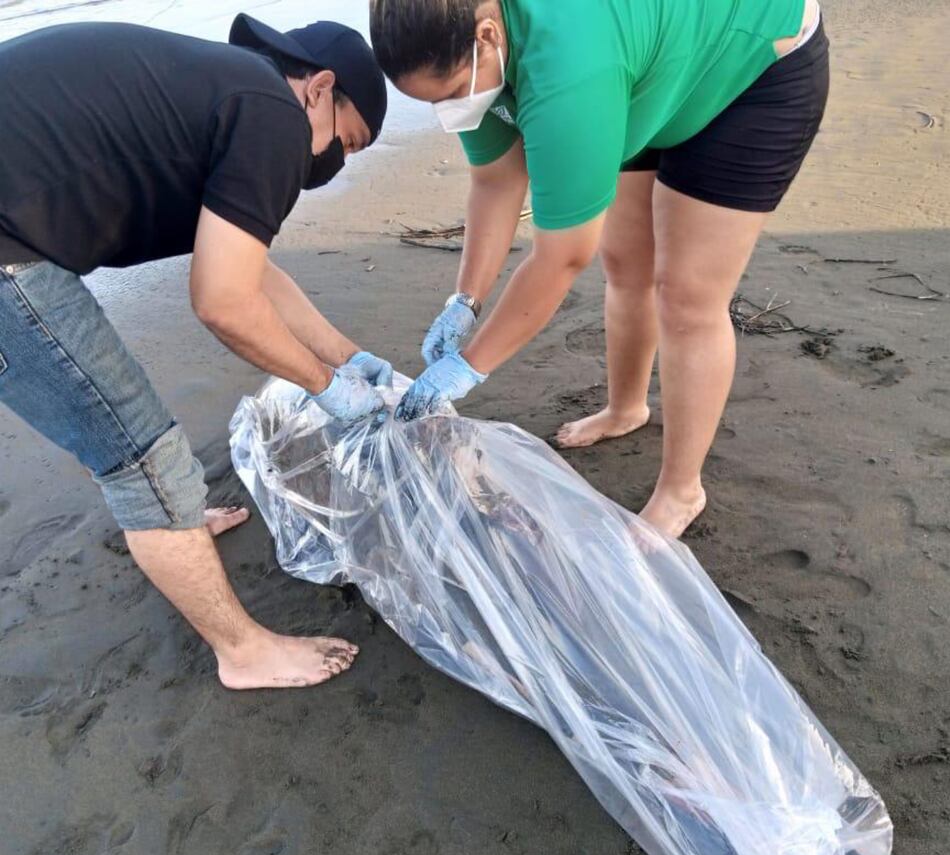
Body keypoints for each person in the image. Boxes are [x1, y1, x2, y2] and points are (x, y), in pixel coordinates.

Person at [0, 15, 391, 689]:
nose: (336, 162)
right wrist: (324, 384)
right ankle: (243, 651)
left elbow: (249, 268)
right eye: (346, 142)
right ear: (320, 88)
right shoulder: (273, 117)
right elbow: (224, 303)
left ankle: (171, 519)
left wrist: (346, 354)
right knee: (142, 457)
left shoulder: (227, 88)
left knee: (135, 451)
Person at [370, 0, 829, 538]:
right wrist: (464, 301)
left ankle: (682, 491)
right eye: (431, 102)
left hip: (751, 69)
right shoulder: (469, 51)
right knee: (626, 262)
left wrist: (468, 367)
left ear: (488, 34)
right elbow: (496, 183)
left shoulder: (570, 72)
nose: (449, 109)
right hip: (648, 65)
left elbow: (562, 256)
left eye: (449, 94)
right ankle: (626, 408)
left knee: (687, 297)